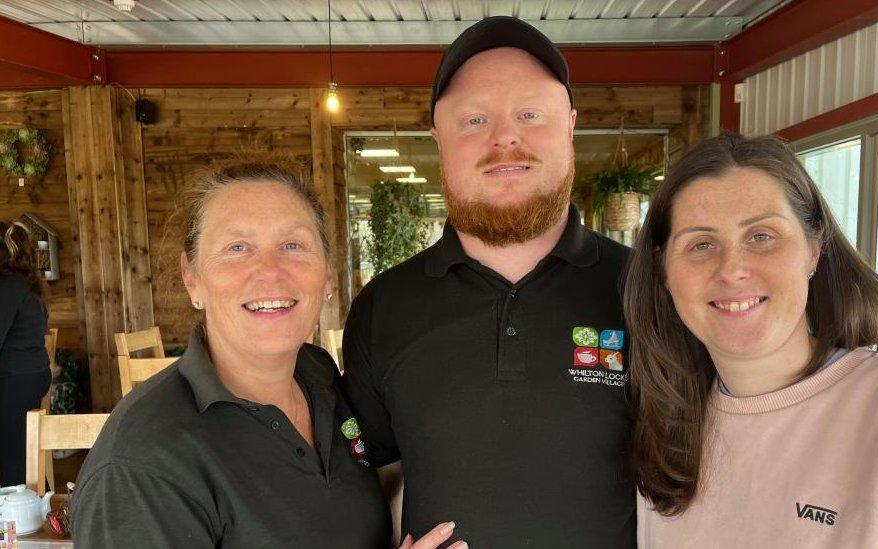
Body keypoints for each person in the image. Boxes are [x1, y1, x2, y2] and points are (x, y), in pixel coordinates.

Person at [342, 16, 636, 548]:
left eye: (529, 113)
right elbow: (374, 482)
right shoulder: (382, 309)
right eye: (474, 119)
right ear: (438, 139)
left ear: (570, 124)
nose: (505, 137)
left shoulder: (650, 291)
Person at [71, 164, 464, 549]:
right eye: (237, 248)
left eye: (292, 245)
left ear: (328, 273)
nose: (270, 271)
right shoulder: (140, 467)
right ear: (192, 277)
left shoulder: (319, 376)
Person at [625, 133, 878, 547]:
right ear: (663, 269)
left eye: (761, 236)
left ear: (813, 249)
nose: (732, 269)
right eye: (701, 244)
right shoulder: (664, 419)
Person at [0, 221, 51, 486]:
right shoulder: (28, 285)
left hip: (14, 381)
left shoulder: (7, 287)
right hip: (30, 376)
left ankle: (15, 511)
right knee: (19, 451)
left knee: (12, 457)